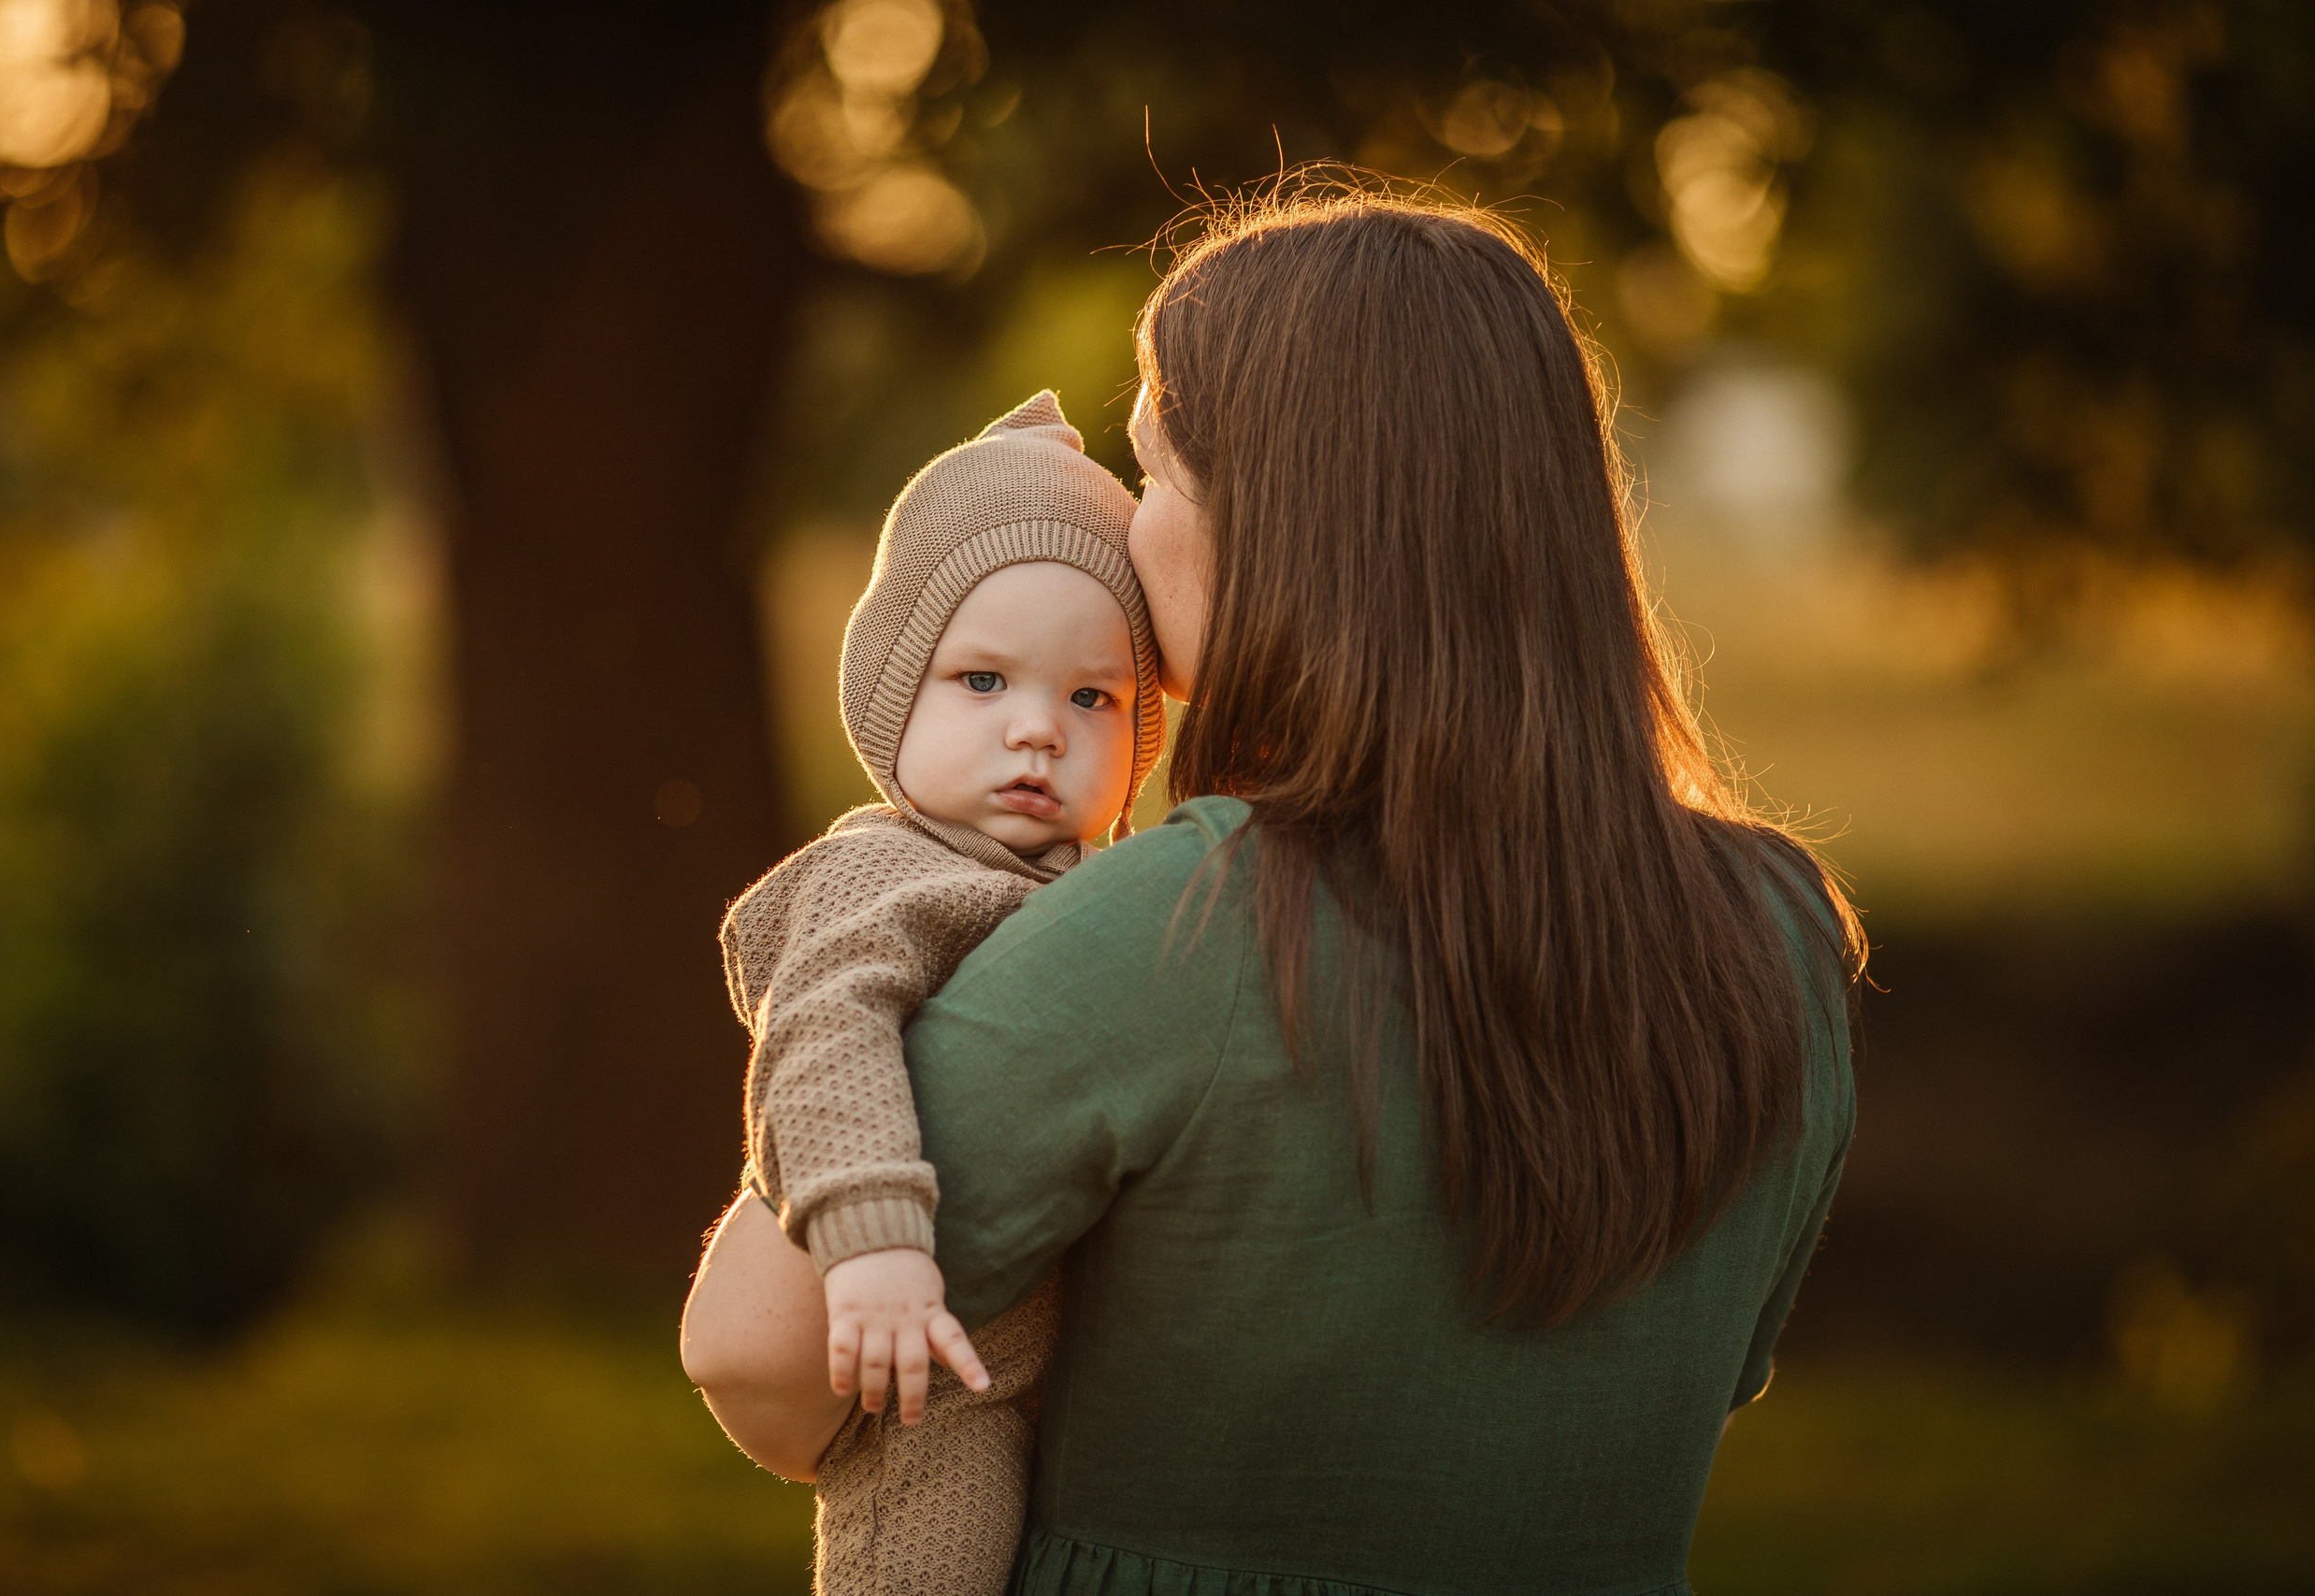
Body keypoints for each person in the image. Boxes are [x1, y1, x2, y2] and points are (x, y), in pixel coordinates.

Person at [686, 185, 1864, 1596]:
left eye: (1156, 476)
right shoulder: (1784, 939)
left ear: (1285, 527)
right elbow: (1719, 1372)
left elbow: (754, 1347)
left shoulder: (1164, 933)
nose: (1131, 536)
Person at [702, 389, 1165, 1596]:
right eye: (981, 682)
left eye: (1091, 698)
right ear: (890, 690)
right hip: (933, 1377)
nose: (1035, 735)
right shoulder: (887, 876)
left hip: (1086, 1376)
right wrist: (873, 1253)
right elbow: (821, 1037)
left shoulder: (1112, 886)